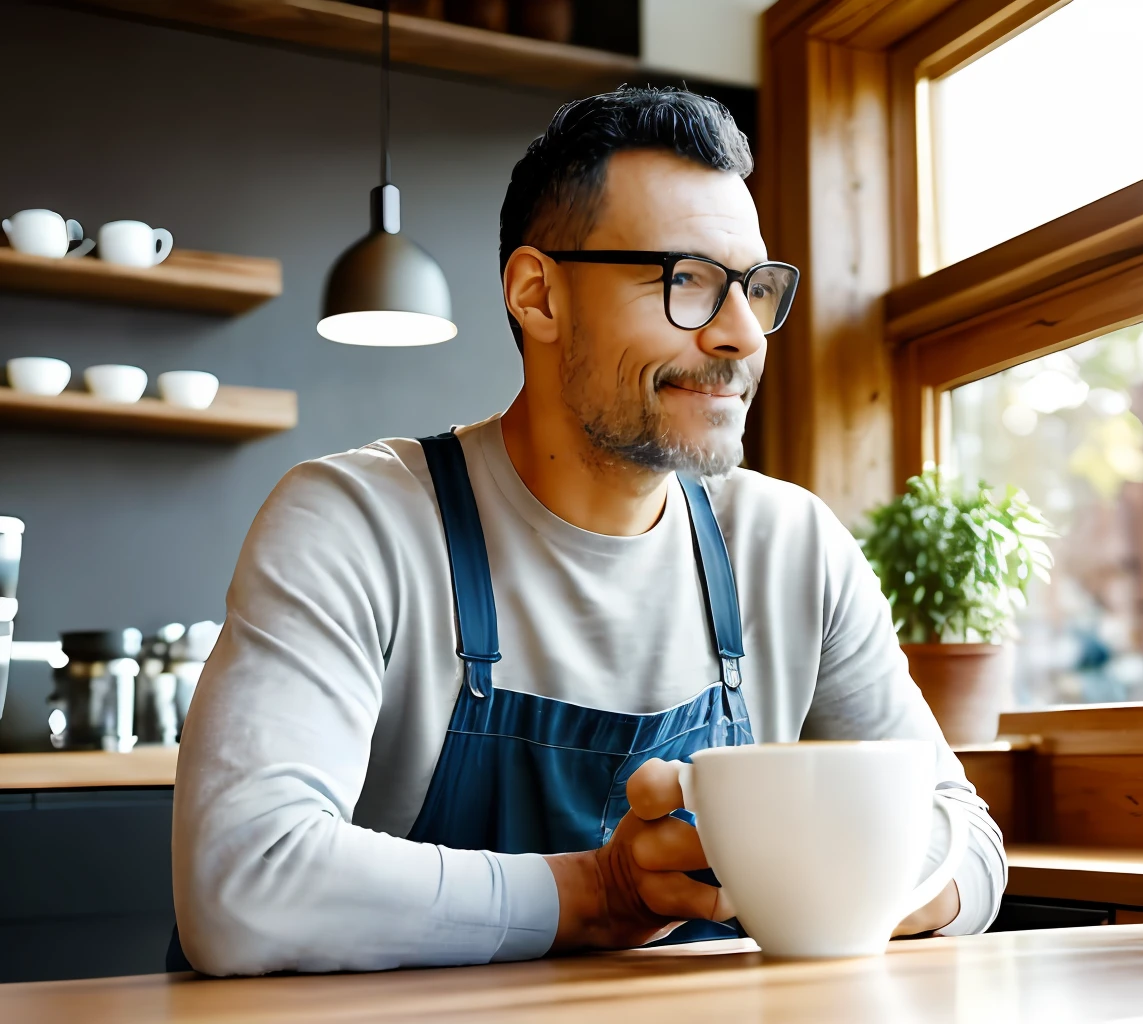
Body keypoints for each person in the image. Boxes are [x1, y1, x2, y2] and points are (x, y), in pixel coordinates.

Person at [172, 86, 1005, 975]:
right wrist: (597, 893)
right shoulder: (356, 522)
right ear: (538, 296)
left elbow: (970, 851)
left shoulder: (793, 549)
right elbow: (241, 884)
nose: (741, 335)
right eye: (685, 280)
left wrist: (835, 882)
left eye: (755, 289)